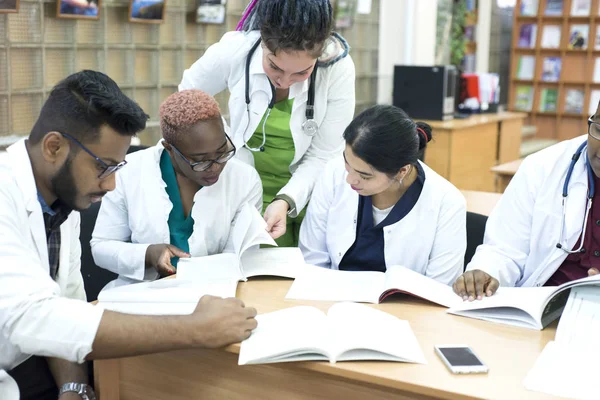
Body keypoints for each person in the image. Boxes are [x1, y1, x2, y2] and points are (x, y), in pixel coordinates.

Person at [0, 71, 257, 400]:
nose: (110, 185)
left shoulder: (62, 202)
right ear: (54, 147)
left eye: (116, 169)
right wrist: (196, 328)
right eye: (103, 167)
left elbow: (67, 303)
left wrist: (73, 387)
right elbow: (33, 317)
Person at [179, 0, 356, 246]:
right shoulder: (235, 50)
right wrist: (220, 144)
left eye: (301, 73)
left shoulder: (338, 68)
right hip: (239, 186)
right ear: (262, 39)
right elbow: (188, 95)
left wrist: (286, 199)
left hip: (307, 193)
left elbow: (324, 154)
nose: (284, 81)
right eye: (274, 66)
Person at [91, 90, 262, 288]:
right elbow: (101, 247)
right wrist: (147, 254)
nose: (215, 166)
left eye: (222, 152)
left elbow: (240, 257)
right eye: (200, 160)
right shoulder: (128, 172)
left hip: (217, 293)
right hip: (143, 295)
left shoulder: (245, 180)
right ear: (169, 148)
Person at [299, 105, 467, 284]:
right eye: (347, 163)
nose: (350, 179)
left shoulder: (447, 202)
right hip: (332, 300)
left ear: (401, 172)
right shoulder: (333, 172)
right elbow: (312, 261)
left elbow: (439, 289)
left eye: (365, 176)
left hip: (407, 309)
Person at [453, 106, 600, 301]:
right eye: (599, 128)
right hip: (539, 308)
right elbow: (504, 249)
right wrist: (486, 271)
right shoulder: (542, 167)